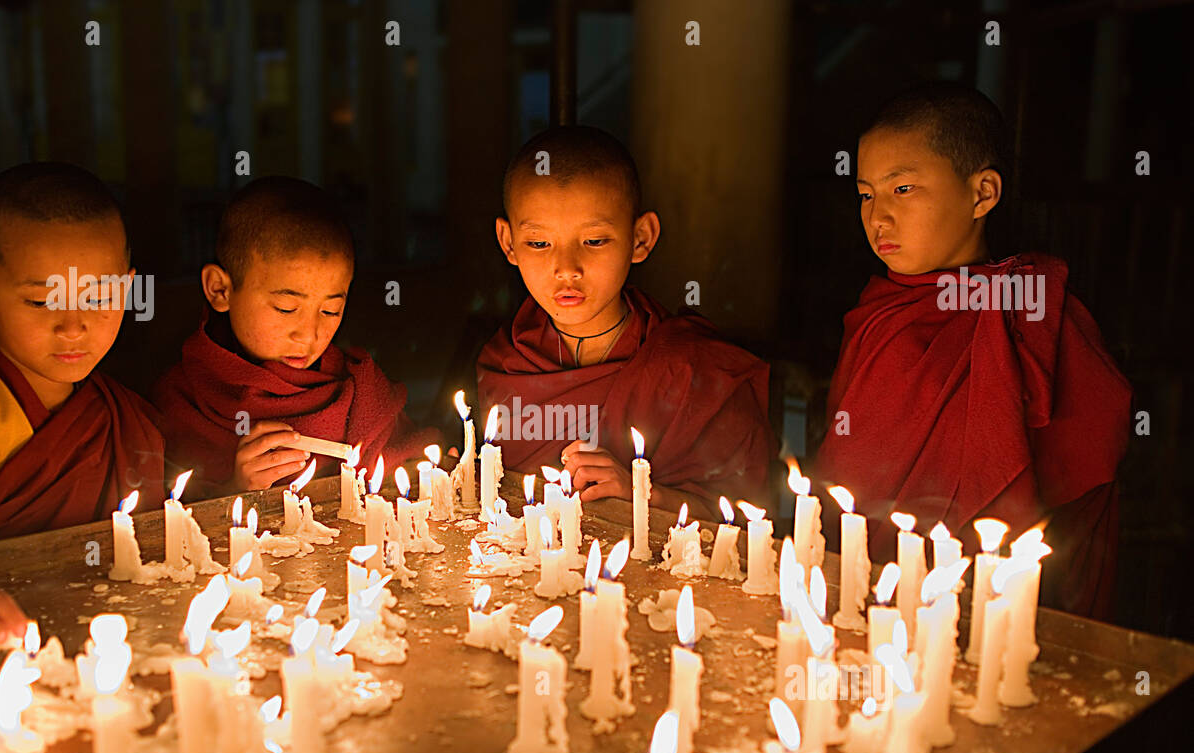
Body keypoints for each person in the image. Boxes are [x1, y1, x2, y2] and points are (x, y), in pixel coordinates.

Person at [816, 84, 1131, 617]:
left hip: (989, 600)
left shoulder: (1033, 308)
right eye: (867, 194)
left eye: (904, 189)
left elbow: (1085, 475)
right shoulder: (878, 311)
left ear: (982, 194)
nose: (878, 217)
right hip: (864, 591)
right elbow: (848, 466)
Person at [0, 162, 165, 655]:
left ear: (127, 290)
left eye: (101, 296)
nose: (73, 327)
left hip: (98, 655)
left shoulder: (125, 415)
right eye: (41, 302)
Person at [477, 126, 774, 519]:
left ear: (641, 238)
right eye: (538, 243)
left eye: (595, 241)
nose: (566, 268)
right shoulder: (506, 364)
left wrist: (644, 494)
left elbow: (745, 522)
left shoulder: (694, 373)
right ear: (508, 242)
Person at [154, 176, 434, 496]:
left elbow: (413, 468)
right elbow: (167, 518)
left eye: (330, 311)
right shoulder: (184, 399)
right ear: (220, 289)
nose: (309, 335)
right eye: (286, 308)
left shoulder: (357, 387)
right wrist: (236, 489)